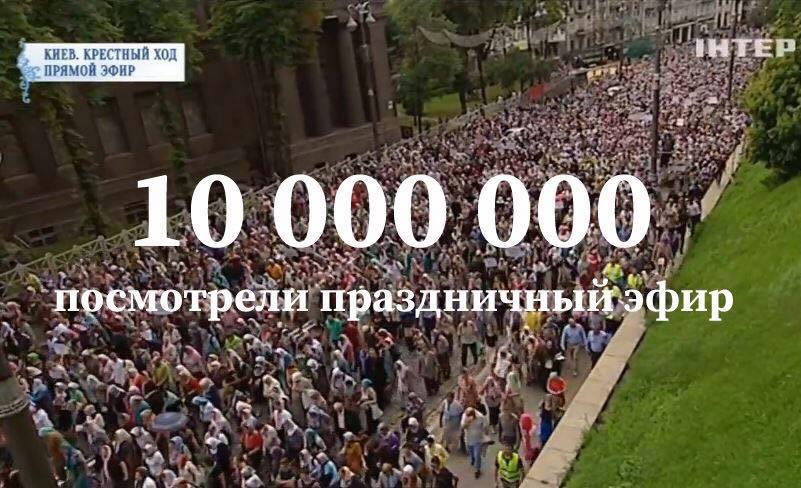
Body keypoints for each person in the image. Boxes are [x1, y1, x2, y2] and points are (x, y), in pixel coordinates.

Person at [460, 407, 488, 478]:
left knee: (477, 455)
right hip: (469, 439)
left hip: (478, 439)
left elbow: (485, 426)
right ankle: (472, 458)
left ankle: (477, 470)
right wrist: (467, 422)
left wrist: (485, 435)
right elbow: (462, 427)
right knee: (471, 452)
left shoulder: (480, 417)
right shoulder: (465, 416)